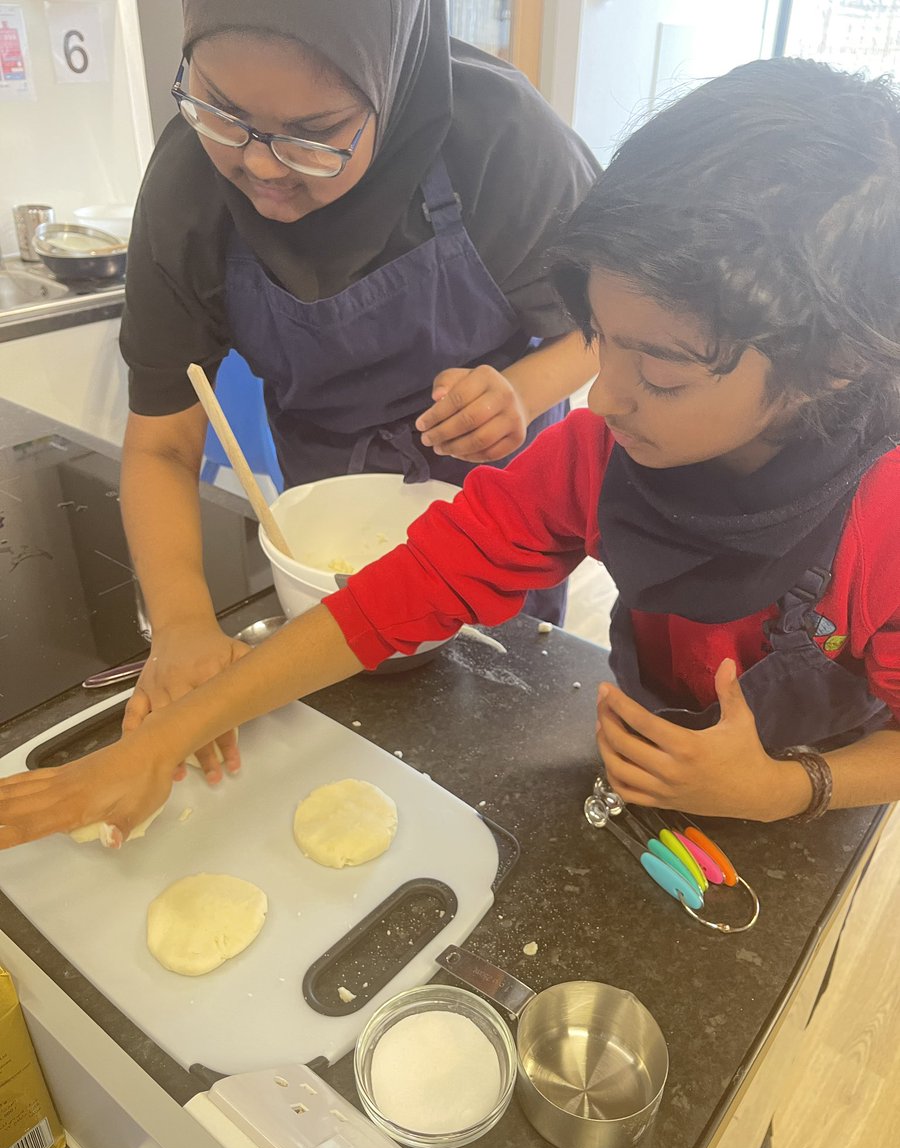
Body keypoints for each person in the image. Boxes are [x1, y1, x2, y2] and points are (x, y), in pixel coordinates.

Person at [3, 55, 900, 847]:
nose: (601, 397)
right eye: (601, 337)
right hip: (652, 749)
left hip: (823, 797)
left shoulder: (884, 523)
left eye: (660, 373)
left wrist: (787, 788)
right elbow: (404, 591)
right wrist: (164, 736)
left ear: (833, 363)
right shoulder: (592, 461)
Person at [118, 0, 599, 775]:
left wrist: (520, 387)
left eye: (314, 134)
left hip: (497, 513)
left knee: (502, 744)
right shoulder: (187, 187)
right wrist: (179, 625)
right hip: (327, 525)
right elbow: (163, 444)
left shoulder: (503, 141)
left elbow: (610, 323)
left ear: (391, 76)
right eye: (222, 109)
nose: (262, 166)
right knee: (347, 753)